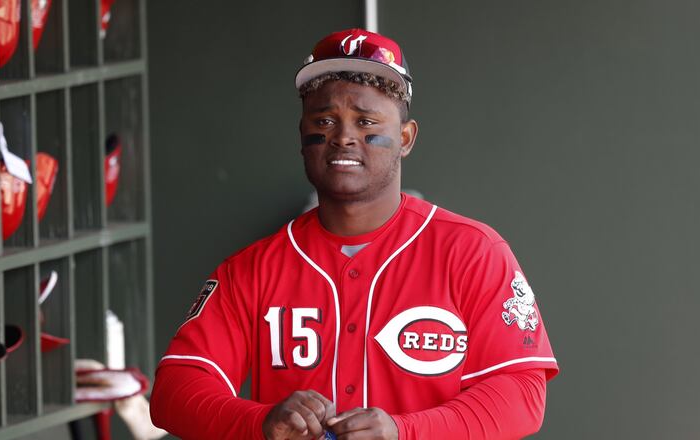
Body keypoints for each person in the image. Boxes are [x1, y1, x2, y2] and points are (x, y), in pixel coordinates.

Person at [150, 29, 559, 440]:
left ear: (405, 138)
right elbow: (174, 391)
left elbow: (521, 394)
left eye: (365, 121)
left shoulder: (472, 251)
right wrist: (259, 423)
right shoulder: (252, 269)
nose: (343, 136)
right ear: (302, 137)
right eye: (324, 121)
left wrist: (404, 433)